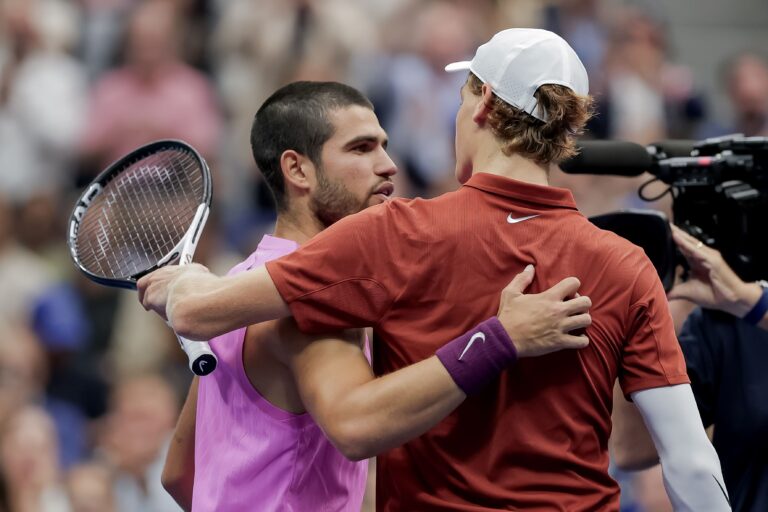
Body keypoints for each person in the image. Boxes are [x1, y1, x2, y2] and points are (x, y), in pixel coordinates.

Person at [139, 30, 729, 511]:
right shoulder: (625, 263)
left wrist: (186, 282)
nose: (389, 165)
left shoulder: (394, 234)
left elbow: (198, 327)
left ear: (486, 106)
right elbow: (687, 463)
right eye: (364, 149)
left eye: (464, 97)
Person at [158, 81, 592, 512]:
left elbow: (180, 474)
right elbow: (357, 425)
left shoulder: (240, 284)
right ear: (298, 170)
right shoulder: (315, 303)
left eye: (384, 146)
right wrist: (500, 339)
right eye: (361, 149)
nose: (388, 165)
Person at [611, 224, 768, 511]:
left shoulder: (743, 303)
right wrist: (650, 315)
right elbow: (630, 451)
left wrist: (749, 301)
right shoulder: (720, 317)